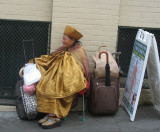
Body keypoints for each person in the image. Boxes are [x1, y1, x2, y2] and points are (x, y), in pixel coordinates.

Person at [28, 25, 90, 129]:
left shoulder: (78, 51)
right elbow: (50, 58)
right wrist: (35, 62)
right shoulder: (65, 49)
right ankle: (49, 114)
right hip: (59, 77)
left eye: (64, 39)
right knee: (46, 85)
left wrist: (60, 76)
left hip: (72, 80)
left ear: (72, 40)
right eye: (63, 38)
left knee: (55, 88)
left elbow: (76, 71)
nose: (62, 41)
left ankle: (55, 117)